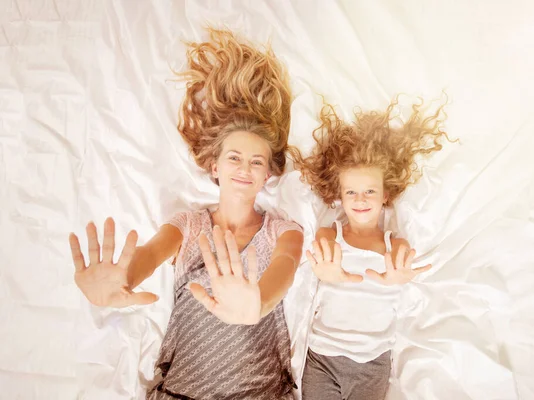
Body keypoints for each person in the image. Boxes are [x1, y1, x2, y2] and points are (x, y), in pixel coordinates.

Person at [68, 29, 304, 399]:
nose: (244, 168)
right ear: (214, 167)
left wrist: (258, 303)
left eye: (256, 161)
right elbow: (151, 253)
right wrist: (123, 277)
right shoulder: (190, 226)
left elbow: (285, 268)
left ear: (268, 174)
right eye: (234, 158)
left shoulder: (283, 231)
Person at [295, 98, 449, 399]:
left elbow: (403, 265)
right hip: (323, 357)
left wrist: (398, 279)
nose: (360, 199)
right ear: (339, 196)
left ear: (385, 197)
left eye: (369, 191)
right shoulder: (333, 233)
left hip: (372, 361)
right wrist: (327, 272)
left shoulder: (393, 243)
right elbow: (321, 249)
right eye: (351, 192)